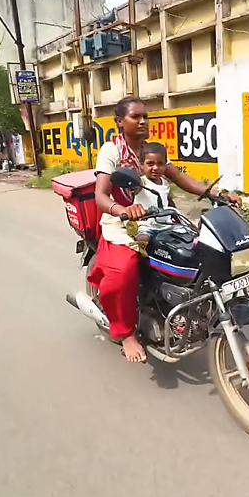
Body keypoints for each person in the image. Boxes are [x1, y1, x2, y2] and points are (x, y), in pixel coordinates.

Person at [92, 96, 239, 363]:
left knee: (200, 250)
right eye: (135, 117)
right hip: (122, 224)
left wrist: (215, 193)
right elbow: (100, 196)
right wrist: (121, 210)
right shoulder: (111, 151)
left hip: (160, 219)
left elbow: (182, 179)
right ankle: (126, 333)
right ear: (119, 122)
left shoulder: (152, 151)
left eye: (145, 116)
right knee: (124, 270)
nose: (143, 121)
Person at [133, 142, 173, 245]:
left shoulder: (165, 183)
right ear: (142, 164)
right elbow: (132, 187)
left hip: (165, 225)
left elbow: (168, 201)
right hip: (146, 226)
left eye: (160, 164)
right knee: (143, 239)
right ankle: (141, 260)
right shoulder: (141, 182)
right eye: (150, 164)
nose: (155, 168)